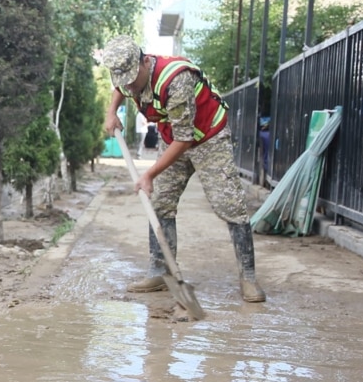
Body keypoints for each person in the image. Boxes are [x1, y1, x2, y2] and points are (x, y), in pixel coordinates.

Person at [101, 35, 266, 304]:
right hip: (174, 138)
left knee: (229, 203)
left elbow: (185, 140)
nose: (129, 84)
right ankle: (160, 271)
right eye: (124, 79)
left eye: (132, 77)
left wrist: (150, 173)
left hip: (208, 138)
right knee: (160, 203)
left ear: (145, 61)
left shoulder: (175, 79)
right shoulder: (128, 75)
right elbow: (122, 87)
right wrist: (111, 112)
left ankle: (248, 277)